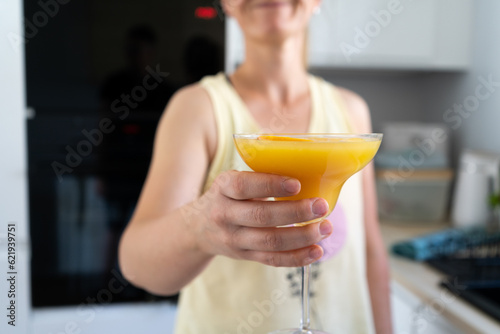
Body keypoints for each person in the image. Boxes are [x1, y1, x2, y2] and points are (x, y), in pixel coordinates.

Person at [119, 1, 392, 333]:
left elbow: (371, 250)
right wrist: (198, 228)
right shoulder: (197, 109)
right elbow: (136, 266)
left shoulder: (351, 112)